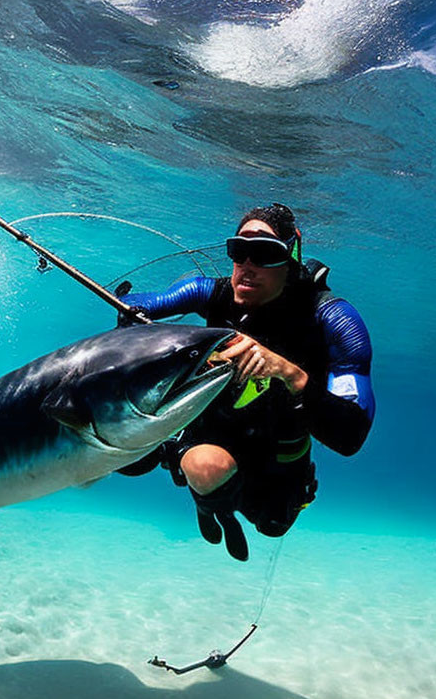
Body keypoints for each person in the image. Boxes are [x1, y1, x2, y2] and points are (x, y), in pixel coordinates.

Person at [120, 203, 374, 561]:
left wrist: (290, 374)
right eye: (240, 252)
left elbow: (352, 435)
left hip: (280, 453)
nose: (248, 266)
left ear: (291, 257)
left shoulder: (333, 318)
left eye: (265, 253)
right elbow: (137, 306)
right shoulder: (211, 292)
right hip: (214, 433)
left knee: (273, 524)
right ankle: (210, 503)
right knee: (203, 468)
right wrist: (131, 315)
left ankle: (212, 498)